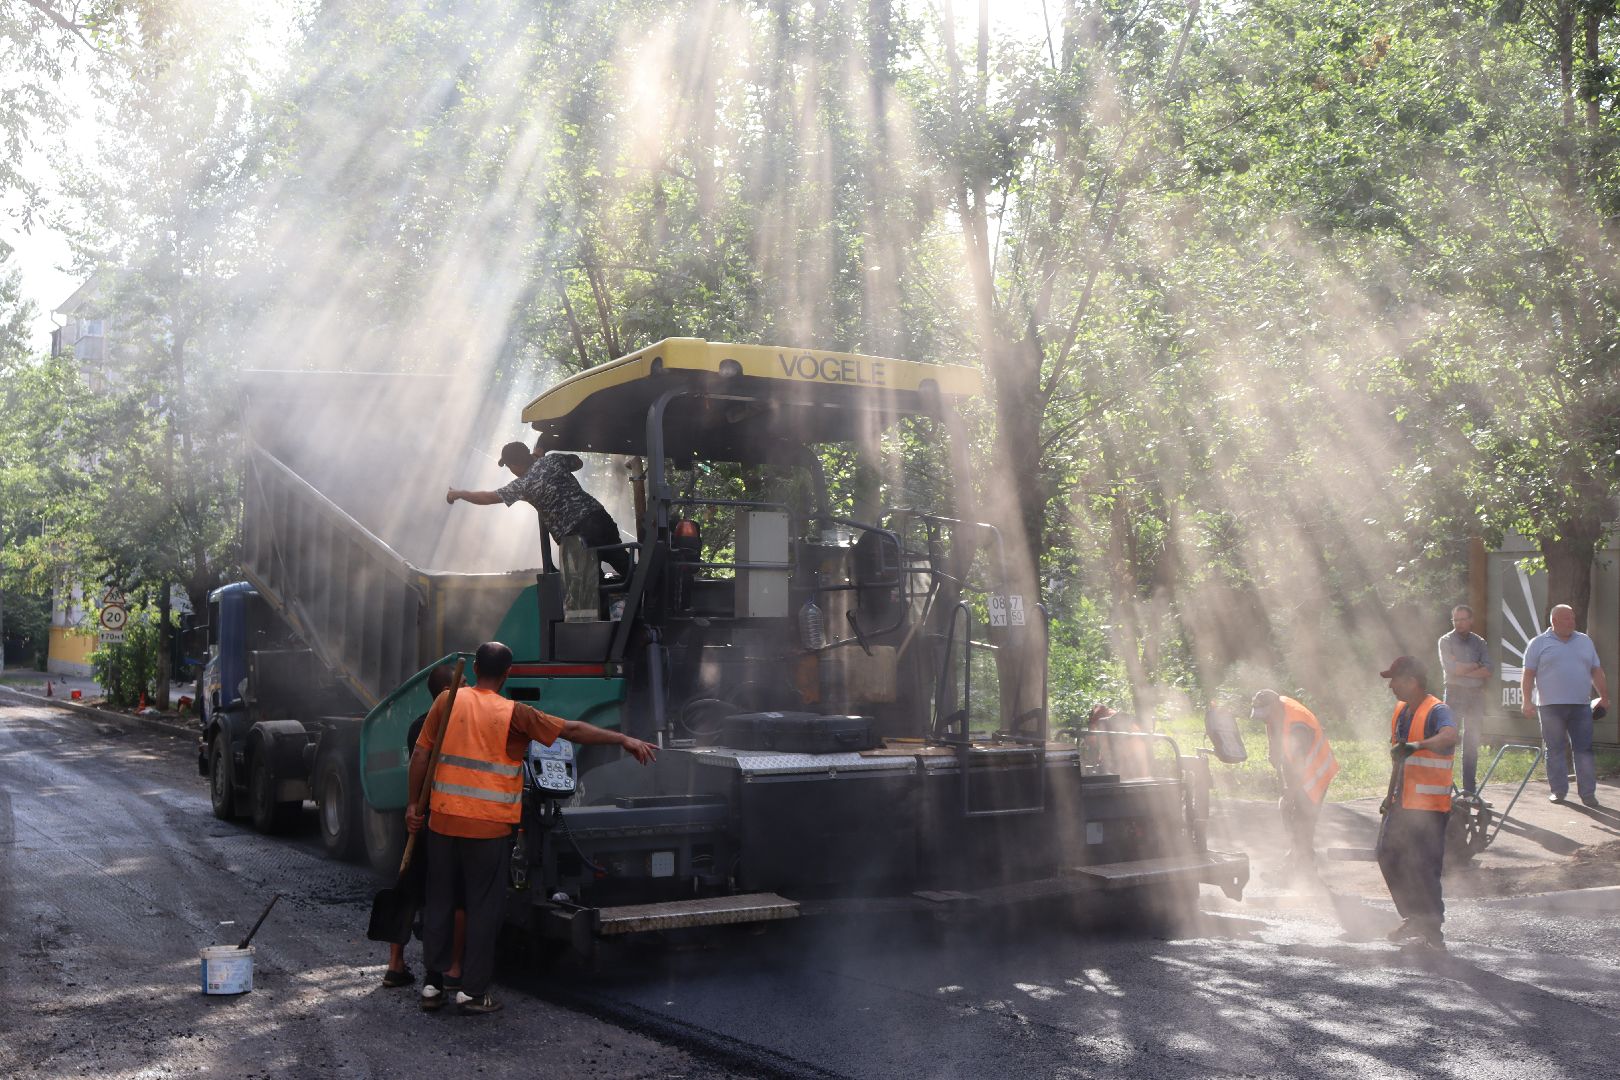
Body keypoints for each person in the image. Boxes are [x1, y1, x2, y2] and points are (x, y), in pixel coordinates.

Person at [405, 641, 657, 1015]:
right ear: (507, 675)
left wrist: (414, 805)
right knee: (482, 908)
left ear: (476, 671)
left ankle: (432, 985)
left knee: (440, 901)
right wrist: (623, 738)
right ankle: (472, 993)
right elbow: (571, 729)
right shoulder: (514, 714)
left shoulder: (446, 701)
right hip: (489, 830)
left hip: (443, 822)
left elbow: (422, 754)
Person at [381, 665, 464, 989]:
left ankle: (395, 964)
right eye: (463, 683)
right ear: (448, 690)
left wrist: (411, 806)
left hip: (418, 818)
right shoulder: (454, 727)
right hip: (441, 820)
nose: (467, 688)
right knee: (453, 897)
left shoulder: (418, 725)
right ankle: (453, 968)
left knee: (407, 890)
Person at [446, 442, 631, 579]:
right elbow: (578, 462)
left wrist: (460, 493)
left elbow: (487, 498)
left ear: (516, 465)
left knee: (589, 591)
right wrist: (539, 459)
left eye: (510, 466)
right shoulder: (552, 460)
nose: (511, 470)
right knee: (626, 567)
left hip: (577, 537)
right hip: (599, 519)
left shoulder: (524, 484)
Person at [1377, 655, 1460, 951]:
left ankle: (1432, 928)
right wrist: (1389, 796)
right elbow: (1399, 756)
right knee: (1387, 854)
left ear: (1412, 681)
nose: (1391, 686)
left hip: (1430, 808)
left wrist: (1418, 745)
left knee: (1424, 867)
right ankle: (1414, 916)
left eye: (1395, 680)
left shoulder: (1438, 710)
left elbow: (1450, 736)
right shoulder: (1401, 711)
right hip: (1402, 803)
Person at [1520, 604, 1609, 808]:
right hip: (1550, 707)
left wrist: (1604, 696)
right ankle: (1558, 791)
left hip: (1581, 705)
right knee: (1555, 749)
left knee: (1584, 750)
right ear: (1554, 621)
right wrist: (1526, 700)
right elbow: (1528, 674)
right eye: (1567, 618)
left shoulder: (1585, 641)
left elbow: (1596, 670)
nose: (1572, 621)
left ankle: (1588, 794)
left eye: (1573, 617)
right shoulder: (1538, 643)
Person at [1250, 690, 1338, 878]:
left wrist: (1291, 793)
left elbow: (1298, 765)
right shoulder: (1277, 711)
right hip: (1299, 771)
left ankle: (1304, 870)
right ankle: (1296, 864)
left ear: (1274, 707)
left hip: (1315, 773)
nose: (1265, 720)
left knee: (1303, 821)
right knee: (1292, 816)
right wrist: (1272, 750)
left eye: (1266, 714)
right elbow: (1270, 725)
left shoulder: (1298, 724)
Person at [1437, 604, 1490, 797]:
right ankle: (1444, 788)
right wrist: (1476, 665)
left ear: (1471, 620)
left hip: (1475, 696)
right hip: (1454, 693)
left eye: (1462, 619)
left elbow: (1488, 670)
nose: (1458, 623)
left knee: (1472, 742)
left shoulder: (1480, 642)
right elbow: (1452, 670)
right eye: (1455, 620)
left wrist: (1464, 667)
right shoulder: (1445, 641)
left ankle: (1470, 791)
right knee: (1448, 739)